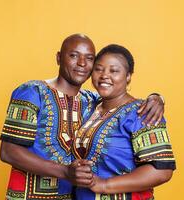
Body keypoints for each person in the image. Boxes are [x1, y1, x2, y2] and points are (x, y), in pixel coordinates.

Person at [0, 34, 165, 200]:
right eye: (74, 55)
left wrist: (156, 98)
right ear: (58, 58)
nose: (82, 63)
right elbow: (8, 151)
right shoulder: (32, 92)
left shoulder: (91, 100)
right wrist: (64, 171)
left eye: (89, 58)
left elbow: (122, 101)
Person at [71, 44, 176, 200]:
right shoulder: (89, 104)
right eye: (98, 69)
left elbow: (161, 171)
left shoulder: (143, 113)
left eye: (114, 71)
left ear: (128, 76)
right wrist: (158, 96)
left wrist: (105, 184)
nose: (104, 75)